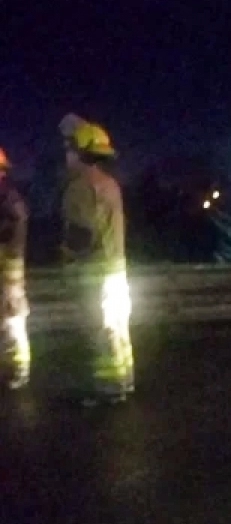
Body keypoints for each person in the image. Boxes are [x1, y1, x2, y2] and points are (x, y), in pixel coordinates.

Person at [59, 114, 135, 404]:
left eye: (68, 148)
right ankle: (122, 382)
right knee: (117, 329)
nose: (66, 155)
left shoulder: (79, 186)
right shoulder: (110, 184)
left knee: (100, 331)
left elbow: (81, 233)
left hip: (94, 273)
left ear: (79, 152)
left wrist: (66, 255)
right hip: (115, 271)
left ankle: (106, 389)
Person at [0, 147, 30, 390]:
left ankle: (19, 369)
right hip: (7, 264)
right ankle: (14, 368)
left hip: (8, 267)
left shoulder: (7, 196)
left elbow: (17, 221)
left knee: (12, 318)